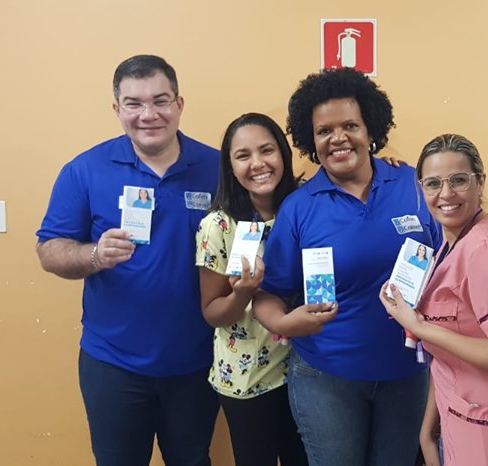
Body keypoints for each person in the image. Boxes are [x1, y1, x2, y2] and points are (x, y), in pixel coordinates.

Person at [35, 55, 220, 466]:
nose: (148, 114)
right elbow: (49, 250)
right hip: (113, 364)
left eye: (160, 100)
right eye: (134, 103)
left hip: (196, 362)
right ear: (117, 108)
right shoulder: (85, 170)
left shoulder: (218, 167)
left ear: (179, 104)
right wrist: (94, 255)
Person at [252, 67, 441, 466]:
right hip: (326, 378)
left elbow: (450, 263)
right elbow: (269, 295)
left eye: (350, 125)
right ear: (311, 140)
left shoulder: (415, 185)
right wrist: (285, 323)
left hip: (407, 373)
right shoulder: (299, 208)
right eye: (324, 131)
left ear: (370, 128)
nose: (337, 138)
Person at [380, 134, 488, 466]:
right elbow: (449, 356)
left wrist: (420, 328)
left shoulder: (485, 250)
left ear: (480, 183)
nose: (445, 194)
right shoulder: (451, 243)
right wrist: (428, 431)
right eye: (433, 183)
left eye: (458, 180)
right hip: (463, 422)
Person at [196, 113, 307, 466]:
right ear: (230, 167)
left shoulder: (306, 206)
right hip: (248, 380)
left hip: (306, 370)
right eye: (243, 156)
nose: (257, 164)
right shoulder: (218, 226)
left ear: (283, 154)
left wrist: (383, 164)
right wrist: (242, 294)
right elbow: (212, 312)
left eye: (266, 150)